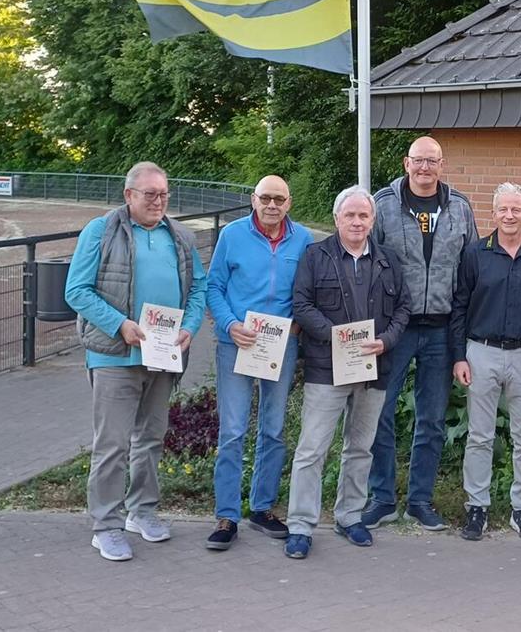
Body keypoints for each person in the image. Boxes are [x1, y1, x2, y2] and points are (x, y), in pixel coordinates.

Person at [65, 161, 207, 562]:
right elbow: (76, 290)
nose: (159, 202)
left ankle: (141, 512)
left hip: (164, 353)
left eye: (164, 194)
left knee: (150, 438)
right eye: (150, 195)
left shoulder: (179, 235)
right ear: (129, 195)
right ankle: (105, 526)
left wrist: (190, 327)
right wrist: (120, 325)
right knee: (111, 444)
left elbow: (199, 287)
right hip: (114, 355)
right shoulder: (101, 230)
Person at [285, 186, 411, 560]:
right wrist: (335, 338)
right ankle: (300, 525)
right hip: (327, 369)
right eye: (350, 215)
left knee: (360, 448)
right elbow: (301, 304)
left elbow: (403, 308)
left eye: (364, 216)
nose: (357, 222)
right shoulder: (315, 256)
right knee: (312, 449)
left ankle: (349, 515)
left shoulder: (388, 260)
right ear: (337, 218)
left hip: (374, 369)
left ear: (372, 220)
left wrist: (386, 341)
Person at [363, 136, 478, 531]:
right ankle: (381, 498)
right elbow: (368, 264)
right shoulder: (382, 205)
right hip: (395, 329)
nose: (425, 168)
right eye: (418, 161)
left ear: (442, 165)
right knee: (380, 411)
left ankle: (420, 500)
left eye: (432, 161)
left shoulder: (460, 208)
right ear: (405, 163)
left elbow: (469, 272)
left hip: (442, 330)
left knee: (430, 420)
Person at [203, 175, 314, 550]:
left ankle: (262, 508)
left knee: (274, 428)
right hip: (236, 343)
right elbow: (213, 287)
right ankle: (226, 515)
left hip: (280, 345)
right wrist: (230, 325)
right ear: (253, 199)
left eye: (278, 199)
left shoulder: (302, 239)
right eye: (265, 197)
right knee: (233, 430)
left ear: (289, 202)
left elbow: (307, 289)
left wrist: (299, 324)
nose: (271, 205)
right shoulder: (232, 236)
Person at [450, 182, 521, 542]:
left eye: (516, 210)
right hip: (481, 352)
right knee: (480, 435)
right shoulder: (475, 253)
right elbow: (459, 307)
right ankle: (476, 507)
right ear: (492, 213)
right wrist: (458, 357)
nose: (509, 216)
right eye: (503, 210)